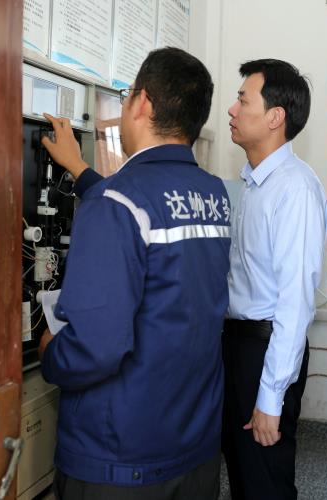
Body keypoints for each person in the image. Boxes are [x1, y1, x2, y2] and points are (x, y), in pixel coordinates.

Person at [37, 47, 231, 500]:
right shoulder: (213, 194)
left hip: (120, 459)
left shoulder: (116, 204)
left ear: (142, 102)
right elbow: (148, 214)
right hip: (194, 446)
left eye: (126, 97)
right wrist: (80, 171)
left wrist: (50, 353)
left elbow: (96, 348)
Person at [222, 59, 327, 500]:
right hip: (238, 345)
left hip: (265, 352)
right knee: (243, 474)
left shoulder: (294, 188)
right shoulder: (254, 183)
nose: (232, 110)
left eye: (243, 100)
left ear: (274, 117)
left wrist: (271, 397)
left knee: (265, 480)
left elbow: (294, 303)